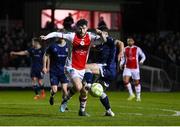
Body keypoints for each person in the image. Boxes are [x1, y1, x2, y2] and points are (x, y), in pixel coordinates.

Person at [40, 19, 101, 116]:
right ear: (77, 28)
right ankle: (66, 99)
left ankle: (81, 111)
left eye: (84, 28)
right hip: (71, 67)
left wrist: (102, 34)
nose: (82, 31)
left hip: (82, 68)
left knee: (84, 91)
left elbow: (102, 39)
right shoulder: (72, 36)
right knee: (78, 86)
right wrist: (46, 36)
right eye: (80, 28)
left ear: (87, 28)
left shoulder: (90, 36)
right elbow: (57, 34)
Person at [84, 25, 124, 116]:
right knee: (100, 92)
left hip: (107, 69)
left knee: (86, 67)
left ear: (106, 33)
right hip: (109, 71)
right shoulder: (100, 44)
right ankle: (109, 110)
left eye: (104, 34)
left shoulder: (109, 40)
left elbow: (121, 43)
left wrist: (121, 52)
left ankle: (89, 84)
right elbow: (94, 45)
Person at [43, 35, 69, 106]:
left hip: (64, 71)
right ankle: (52, 96)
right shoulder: (52, 46)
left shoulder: (68, 46)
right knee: (54, 90)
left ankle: (64, 105)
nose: (60, 36)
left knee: (64, 89)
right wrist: (44, 67)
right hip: (54, 71)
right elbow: (46, 55)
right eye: (59, 35)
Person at [120, 37, 146, 101]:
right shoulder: (125, 49)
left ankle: (138, 97)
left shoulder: (137, 48)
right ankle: (131, 94)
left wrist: (141, 61)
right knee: (125, 81)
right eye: (128, 41)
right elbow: (123, 58)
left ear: (133, 42)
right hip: (127, 67)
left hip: (135, 68)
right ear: (127, 42)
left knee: (136, 83)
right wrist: (121, 64)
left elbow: (143, 56)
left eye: (131, 41)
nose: (130, 42)